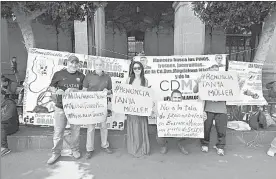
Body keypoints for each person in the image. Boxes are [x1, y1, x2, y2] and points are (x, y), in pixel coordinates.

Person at [47, 55, 85, 165]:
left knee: (75, 131)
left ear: (78, 64)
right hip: (60, 107)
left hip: (75, 108)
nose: (74, 65)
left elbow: (85, 92)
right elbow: (51, 87)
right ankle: (56, 152)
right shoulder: (59, 74)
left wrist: (73, 90)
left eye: (76, 63)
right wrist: (56, 90)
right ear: (67, 63)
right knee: (58, 131)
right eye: (71, 63)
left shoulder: (81, 76)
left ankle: (75, 150)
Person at [83, 58, 113, 160]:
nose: (99, 66)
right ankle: (89, 149)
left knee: (103, 126)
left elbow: (110, 91)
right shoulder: (89, 76)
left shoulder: (107, 77)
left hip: (102, 106)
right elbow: (84, 90)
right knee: (91, 128)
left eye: (100, 64)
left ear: (103, 65)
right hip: (91, 106)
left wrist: (107, 91)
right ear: (94, 65)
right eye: (97, 64)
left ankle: (105, 145)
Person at [193, 67, 228, 156]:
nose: (214, 73)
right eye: (212, 71)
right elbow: (195, 91)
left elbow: (231, 93)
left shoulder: (225, 82)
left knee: (221, 129)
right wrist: (198, 83)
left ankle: (220, 146)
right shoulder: (204, 81)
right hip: (208, 108)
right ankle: (205, 144)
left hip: (221, 109)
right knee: (206, 128)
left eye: (216, 71)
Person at [126, 61, 150, 157]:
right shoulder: (128, 80)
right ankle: (134, 149)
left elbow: (147, 95)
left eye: (139, 68)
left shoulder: (145, 80)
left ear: (141, 69)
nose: (137, 70)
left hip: (141, 108)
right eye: (135, 68)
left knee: (141, 127)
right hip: (132, 108)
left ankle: (143, 148)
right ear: (132, 69)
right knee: (134, 128)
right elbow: (125, 94)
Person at [156, 89, 189, 155]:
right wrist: (158, 116)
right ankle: (164, 145)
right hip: (167, 128)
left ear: (182, 98)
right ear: (171, 98)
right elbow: (159, 122)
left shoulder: (187, 108)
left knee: (190, 130)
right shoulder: (164, 107)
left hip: (179, 128)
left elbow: (192, 121)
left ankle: (180, 143)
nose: (177, 99)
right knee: (159, 133)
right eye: (175, 97)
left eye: (179, 98)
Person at [1, 89, 19, 156]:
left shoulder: (10, 103)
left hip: (11, 125)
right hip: (3, 124)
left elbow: (8, 116)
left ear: (2, 95)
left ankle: (4, 148)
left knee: (1, 126)